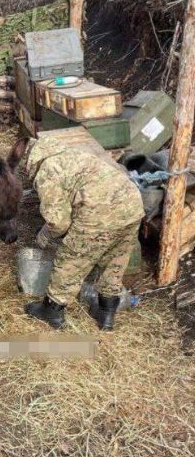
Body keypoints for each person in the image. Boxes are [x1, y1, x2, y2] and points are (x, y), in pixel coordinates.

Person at [22, 136, 145, 332]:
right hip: (132, 206)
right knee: (115, 260)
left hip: (99, 215)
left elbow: (58, 222)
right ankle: (106, 313)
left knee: (71, 259)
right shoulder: (77, 155)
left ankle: (52, 310)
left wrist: (45, 234)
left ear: (31, 159)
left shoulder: (48, 170)